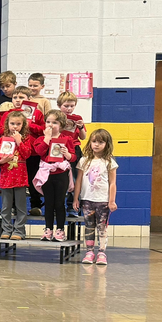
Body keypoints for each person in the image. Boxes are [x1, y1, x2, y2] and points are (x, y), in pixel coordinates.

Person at [73, 129, 118, 266]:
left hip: (102, 201)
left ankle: (102, 252)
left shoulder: (109, 162)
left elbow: (112, 183)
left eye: (100, 142)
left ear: (107, 144)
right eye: (94, 141)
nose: (96, 145)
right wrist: (76, 198)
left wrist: (111, 201)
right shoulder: (84, 160)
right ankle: (89, 251)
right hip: (87, 200)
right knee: (89, 226)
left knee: (102, 227)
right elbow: (79, 181)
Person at [32, 110, 75, 241]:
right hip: (47, 174)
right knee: (49, 203)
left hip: (61, 174)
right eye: (48, 122)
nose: (50, 125)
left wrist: (67, 154)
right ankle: (48, 229)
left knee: (59, 203)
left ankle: (60, 230)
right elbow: (39, 151)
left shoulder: (67, 139)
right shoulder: (41, 139)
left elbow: (73, 157)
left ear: (61, 125)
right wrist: (47, 138)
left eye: (54, 122)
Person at [0, 111, 33, 240]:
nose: (15, 126)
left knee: (21, 206)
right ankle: (6, 230)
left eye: (18, 124)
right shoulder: (3, 139)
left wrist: (19, 142)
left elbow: (27, 154)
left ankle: (19, 230)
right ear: (8, 124)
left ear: (23, 125)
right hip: (6, 177)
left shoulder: (26, 138)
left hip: (20, 177)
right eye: (12, 123)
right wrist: (2, 161)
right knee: (6, 206)